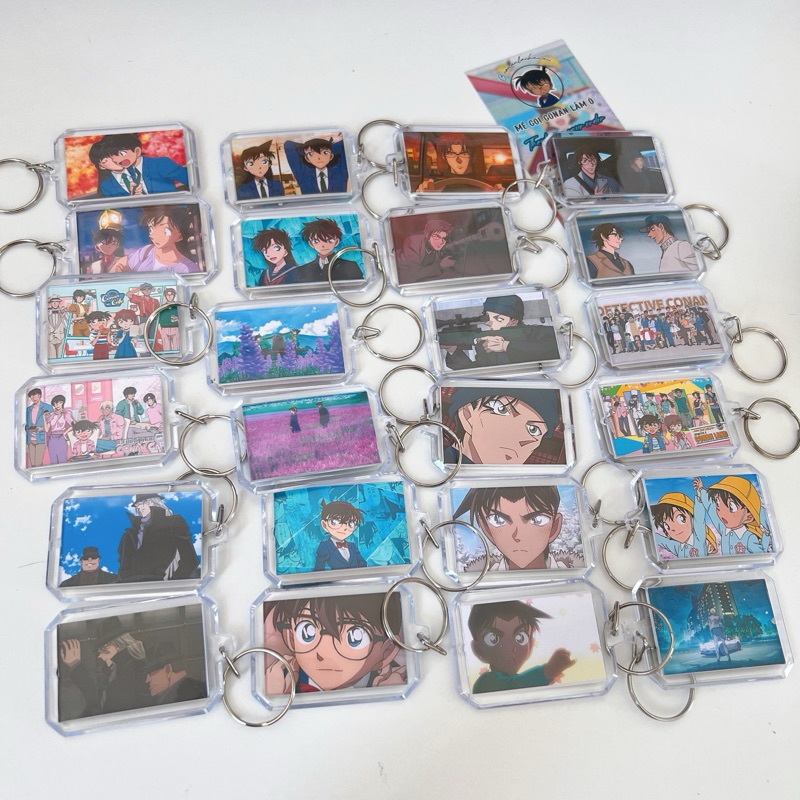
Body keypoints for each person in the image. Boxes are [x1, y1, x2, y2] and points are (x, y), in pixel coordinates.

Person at [263, 593, 405, 693]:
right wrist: (276, 697)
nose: (323, 654)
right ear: (290, 638)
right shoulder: (280, 683)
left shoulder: (392, 684)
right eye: (307, 632)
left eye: (354, 638)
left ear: (387, 653)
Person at [455, 485, 571, 572]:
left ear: (555, 527)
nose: (518, 536)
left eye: (537, 520)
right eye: (498, 520)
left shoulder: (572, 574)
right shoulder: (473, 580)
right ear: (487, 529)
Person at [468, 601, 575, 693]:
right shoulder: (485, 683)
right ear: (478, 650)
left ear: (531, 645)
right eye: (493, 639)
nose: (510, 647)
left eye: (521, 637)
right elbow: (514, 685)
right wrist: (547, 671)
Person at [445, 386, 561, 465]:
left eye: (533, 429)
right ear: (467, 415)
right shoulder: (439, 466)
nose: (519, 437)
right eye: (501, 410)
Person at [441, 294, 560, 370]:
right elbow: (476, 372)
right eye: (488, 318)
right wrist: (453, 351)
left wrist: (505, 346)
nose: (489, 323)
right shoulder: (485, 344)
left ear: (514, 321)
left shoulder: (536, 332)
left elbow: (555, 349)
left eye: (498, 319)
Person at [58, 616, 148, 716]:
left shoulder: (131, 671)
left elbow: (99, 704)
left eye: (104, 647)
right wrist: (75, 666)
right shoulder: (114, 670)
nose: (100, 655)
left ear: (118, 644)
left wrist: (76, 667)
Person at [116, 493, 199, 582]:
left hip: (157, 581)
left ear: (153, 502)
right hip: (128, 583)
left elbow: (189, 560)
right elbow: (122, 563)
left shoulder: (173, 522)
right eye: (137, 505)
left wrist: (171, 583)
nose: (139, 507)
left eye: (142, 503)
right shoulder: (129, 534)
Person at [88, 133, 189, 198]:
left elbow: (190, 180)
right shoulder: (123, 176)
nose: (117, 160)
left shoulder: (160, 164)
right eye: (113, 156)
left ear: (137, 151)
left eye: (122, 153)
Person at [693, 476, 770, 555]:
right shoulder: (725, 530)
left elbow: (761, 553)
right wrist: (701, 491)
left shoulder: (749, 538)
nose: (722, 512)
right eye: (718, 503)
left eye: (731, 507)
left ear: (749, 517)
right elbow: (711, 509)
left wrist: (766, 535)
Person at [110, 207, 200, 273]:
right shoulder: (147, 251)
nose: (153, 235)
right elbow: (119, 265)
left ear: (180, 236)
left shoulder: (189, 269)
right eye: (151, 229)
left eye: (165, 230)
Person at [417, 132, 502, 191]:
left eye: (464, 154)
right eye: (451, 154)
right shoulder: (435, 187)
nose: (458, 160)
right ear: (444, 157)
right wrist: (423, 193)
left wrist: (501, 195)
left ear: (473, 157)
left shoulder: (489, 187)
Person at [651, 491, 716, 559]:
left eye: (681, 518)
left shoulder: (699, 538)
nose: (673, 528)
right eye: (666, 525)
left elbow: (699, 519)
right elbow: (662, 541)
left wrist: (699, 499)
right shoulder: (678, 547)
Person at [295, 218, 363, 283]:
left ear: (336, 242)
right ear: (311, 244)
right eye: (316, 241)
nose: (323, 245)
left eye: (329, 240)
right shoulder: (302, 270)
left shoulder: (350, 266)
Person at [396, 218, 457, 283]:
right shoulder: (413, 242)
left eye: (444, 238)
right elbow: (415, 274)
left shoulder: (436, 247)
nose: (441, 242)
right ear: (428, 236)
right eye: (437, 237)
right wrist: (441, 265)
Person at [313, 500, 368, 570]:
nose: (344, 528)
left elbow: (362, 563)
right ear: (324, 525)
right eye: (334, 522)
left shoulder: (352, 546)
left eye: (350, 524)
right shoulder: (325, 546)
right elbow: (319, 568)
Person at [284, 135, 348, 195]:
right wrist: (308, 147)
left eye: (325, 153)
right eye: (311, 154)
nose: (319, 158)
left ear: (331, 156)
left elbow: (346, 143)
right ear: (307, 159)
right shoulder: (303, 175)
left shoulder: (340, 171)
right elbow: (288, 145)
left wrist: (327, 146)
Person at [25, 388, 53, 467]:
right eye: (31, 396)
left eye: (35, 395)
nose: (33, 398)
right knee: (31, 463)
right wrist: (28, 429)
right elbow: (25, 424)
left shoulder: (48, 407)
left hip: (41, 438)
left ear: (40, 395)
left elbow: (51, 424)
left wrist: (42, 428)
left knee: (38, 463)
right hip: (30, 438)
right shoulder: (28, 409)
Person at [45, 395, 74, 465]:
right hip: (52, 439)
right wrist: (44, 418)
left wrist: (65, 433)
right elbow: (46, 429)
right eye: (55, 403)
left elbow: (73, 425)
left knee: (62, 459)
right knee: (53, 459)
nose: (57, 405)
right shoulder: (51, 414)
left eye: (59, 403)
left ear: (62, 403)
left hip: (61, 438)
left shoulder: (66, 413)